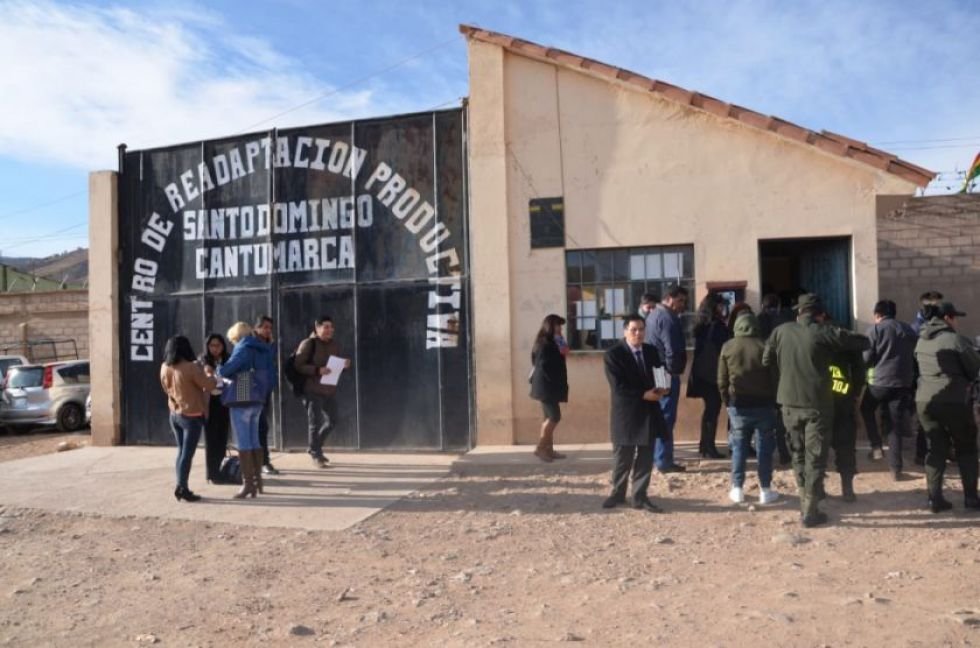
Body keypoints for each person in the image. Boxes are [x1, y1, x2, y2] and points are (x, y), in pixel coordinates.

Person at [763, 294, 869, 527]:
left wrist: (783, 383)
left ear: (798, 312)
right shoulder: (828, 333)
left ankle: (808, 498)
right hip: (827, 400)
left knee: (798, 453)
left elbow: (767, 361)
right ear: (819, 314)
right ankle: (820, 504)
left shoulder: (781, 332)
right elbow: (862, 348)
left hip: (790, 402)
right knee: (826, 451)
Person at [914, 302, 980, 513]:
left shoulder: (920, 341)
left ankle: (935, 499)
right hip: (954, 401)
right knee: (966, 448)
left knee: (935, 448)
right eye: (955, 317)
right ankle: (970, 498)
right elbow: (973, 368)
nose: (957, 321)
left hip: (925, 401)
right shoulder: (955, 340)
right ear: (948, 318)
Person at [602, 315, 669, 512]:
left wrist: (663, 388)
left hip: (649, 412)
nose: (638, 333)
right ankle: (617, 493)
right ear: (625, 332)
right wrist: (643, 394)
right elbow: (618, 386)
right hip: (626, 413)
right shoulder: (613, 354)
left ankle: (640, 496)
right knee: (623, 457)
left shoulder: (651, 351)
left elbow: (659, 373)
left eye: (641, 329)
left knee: (646, 456)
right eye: (634, 330)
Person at [718, 311, 780, 504]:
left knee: (739, 447)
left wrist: (727, 401)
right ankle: (765, 489)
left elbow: (722, 380)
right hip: (764, 405)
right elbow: (775, 377)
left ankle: (737, 489)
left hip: (739, 404)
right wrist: (775, 401)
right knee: (764, 448)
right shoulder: (766, 345)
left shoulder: (728, 347)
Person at [219, 322, 277, 499]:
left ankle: (247, 484)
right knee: (255, 440)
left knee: (243, 442)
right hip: (258, 397)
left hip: (242, 396)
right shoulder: (264, 347)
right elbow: (271, 374)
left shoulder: (242, 347)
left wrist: (217, 369)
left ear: (236, 337)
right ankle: (258, 481)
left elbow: (227, 370)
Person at [860, 300, 916, 478]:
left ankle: (876, 447)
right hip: (902, 384)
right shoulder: (908, 330)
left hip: (879, 384)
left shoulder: (875, 330)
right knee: (895, 426)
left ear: (877, 315)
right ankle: (896, 469)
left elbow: (866, 358)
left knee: (866, 408)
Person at [160, 335, 219, 502]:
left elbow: (165, 388)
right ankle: (182, 488)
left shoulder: (165, 366)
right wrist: (210, 374)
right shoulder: (190, 367)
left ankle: (180, 485)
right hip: (191, 415)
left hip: (175, 413)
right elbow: (210, 385)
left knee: (181, 452)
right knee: (187, 454)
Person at [294, 316, 351, 467]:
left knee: (333, 420)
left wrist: (344, 366)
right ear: (317, 328)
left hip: (328, 389)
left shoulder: (334, 345)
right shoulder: (308, 344)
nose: (329, 330)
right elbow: (298, 366)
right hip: (312, 389)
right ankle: (316, 455)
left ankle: (314, 446)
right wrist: (317, 370)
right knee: (315, 422)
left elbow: (335, 367)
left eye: (331, 327)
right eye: (325, 327)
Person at [646, 284, 689, 473]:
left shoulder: (654, 314)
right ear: (670, 298)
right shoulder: (667, 318)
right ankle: (663, 460)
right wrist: (671, 373)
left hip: (658, 371)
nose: (682, 305)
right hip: (665, 372)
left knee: (662, 415)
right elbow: (671, 349)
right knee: (666, 416)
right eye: (680, 301)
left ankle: (661, 457)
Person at [825, 319, 867, 503]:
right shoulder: (848, 342)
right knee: (846, 447)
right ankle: (847, 489)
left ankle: (817, 489)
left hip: (819, 401)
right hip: (843, 398)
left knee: (816, 448)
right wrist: (855, 393)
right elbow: (859, 371)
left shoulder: (811, 340)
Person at [688, 293, 730, 459]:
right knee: (713, 411)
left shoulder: (701, 324)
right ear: (715, 306)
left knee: (709, 410)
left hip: (701, 374)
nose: (722, 308)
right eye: (720, 305)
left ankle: (704, 444)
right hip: (713, 374)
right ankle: (709, 447)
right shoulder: (717, 326)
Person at [529, 314, 569, 462]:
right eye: (558, 325)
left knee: (548, 418)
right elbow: (542, 365)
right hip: (546, 386)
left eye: (561, 326)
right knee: (554, 417)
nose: (560, 328)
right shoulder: (544, 343)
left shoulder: (555, 341)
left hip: (551, 386)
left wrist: (561, 341)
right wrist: (553, 383)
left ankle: (549, 450)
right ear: (550, 326)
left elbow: (564, 353)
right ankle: (540, 448)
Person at [910, 291, 945, 465]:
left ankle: (937, 451)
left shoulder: (935, 325)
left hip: (934, 377)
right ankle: (923, 453)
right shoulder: (917, 328)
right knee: (925, 417)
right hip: (923, 378)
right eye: (936, 305)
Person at [198, 333, 231, 484]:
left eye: (218, 345)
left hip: (224, 402)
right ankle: (211, 473)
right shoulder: (203, 360)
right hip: (210, 404)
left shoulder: (228, 359)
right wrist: (210, 373)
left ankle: (219, 470)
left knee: (222, 438)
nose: (215, 349)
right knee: (211, 440)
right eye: (212, 345)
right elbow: (206, 372)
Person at [252, 314, 280, 476]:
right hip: (253, 391)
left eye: (270, 327)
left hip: (265, 390)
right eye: (265, 327)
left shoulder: (270, 345)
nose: (268, 330)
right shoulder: (250, 344)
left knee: (262, 426)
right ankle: (260, 463)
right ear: (257, 328)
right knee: (257, 427)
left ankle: (261, 462)